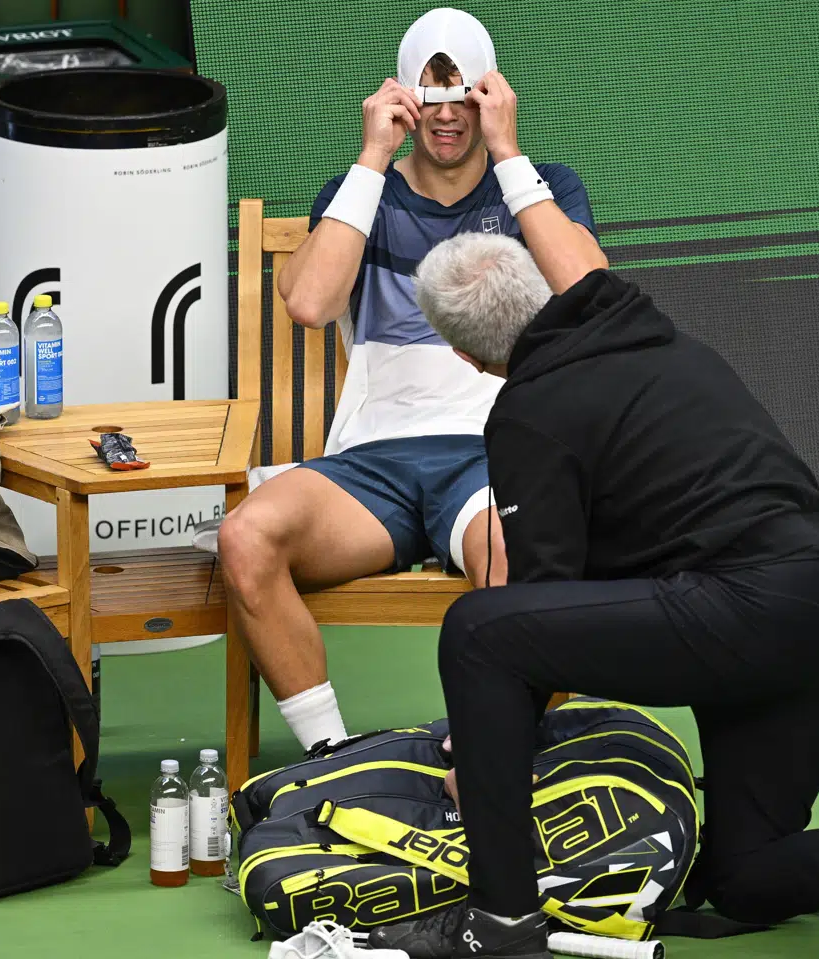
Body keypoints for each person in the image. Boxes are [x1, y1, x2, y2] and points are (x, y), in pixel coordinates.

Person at [368, 233, 819, 959]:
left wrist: (485, 755)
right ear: (543, 290)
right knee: (744, 873)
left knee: (479, 631)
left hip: (740, 609)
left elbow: (540, 604)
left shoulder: (528, 411)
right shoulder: (664, 340)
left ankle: (500, 922)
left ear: (466, 357)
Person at [217, 7, 606, 754]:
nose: (448, 117)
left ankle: (492, 751)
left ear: (491, 94)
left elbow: (590, 288)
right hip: (373, 466)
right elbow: (308, 302)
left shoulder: (539, 187)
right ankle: (334, 756)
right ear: (403, 99)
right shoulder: (362, 194)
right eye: (432, 99)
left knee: (536, 556)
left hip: (495, 456)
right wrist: (371, 159)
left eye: (465, 97)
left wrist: (509, 153)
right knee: (247, 534)